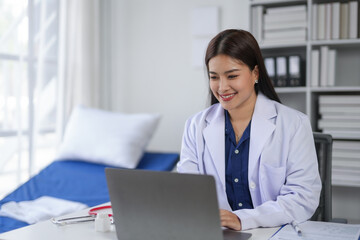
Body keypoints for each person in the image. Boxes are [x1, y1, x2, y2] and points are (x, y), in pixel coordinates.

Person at [177, 29, 321, 231]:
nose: (222, 87)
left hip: (273, 232)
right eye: (214, 77)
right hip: (217, 233)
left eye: (232, 75)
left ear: (255, 73)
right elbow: (187, 191)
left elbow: (302, 197)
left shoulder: (293, 124)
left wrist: (242, 220)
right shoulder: (195, 126)